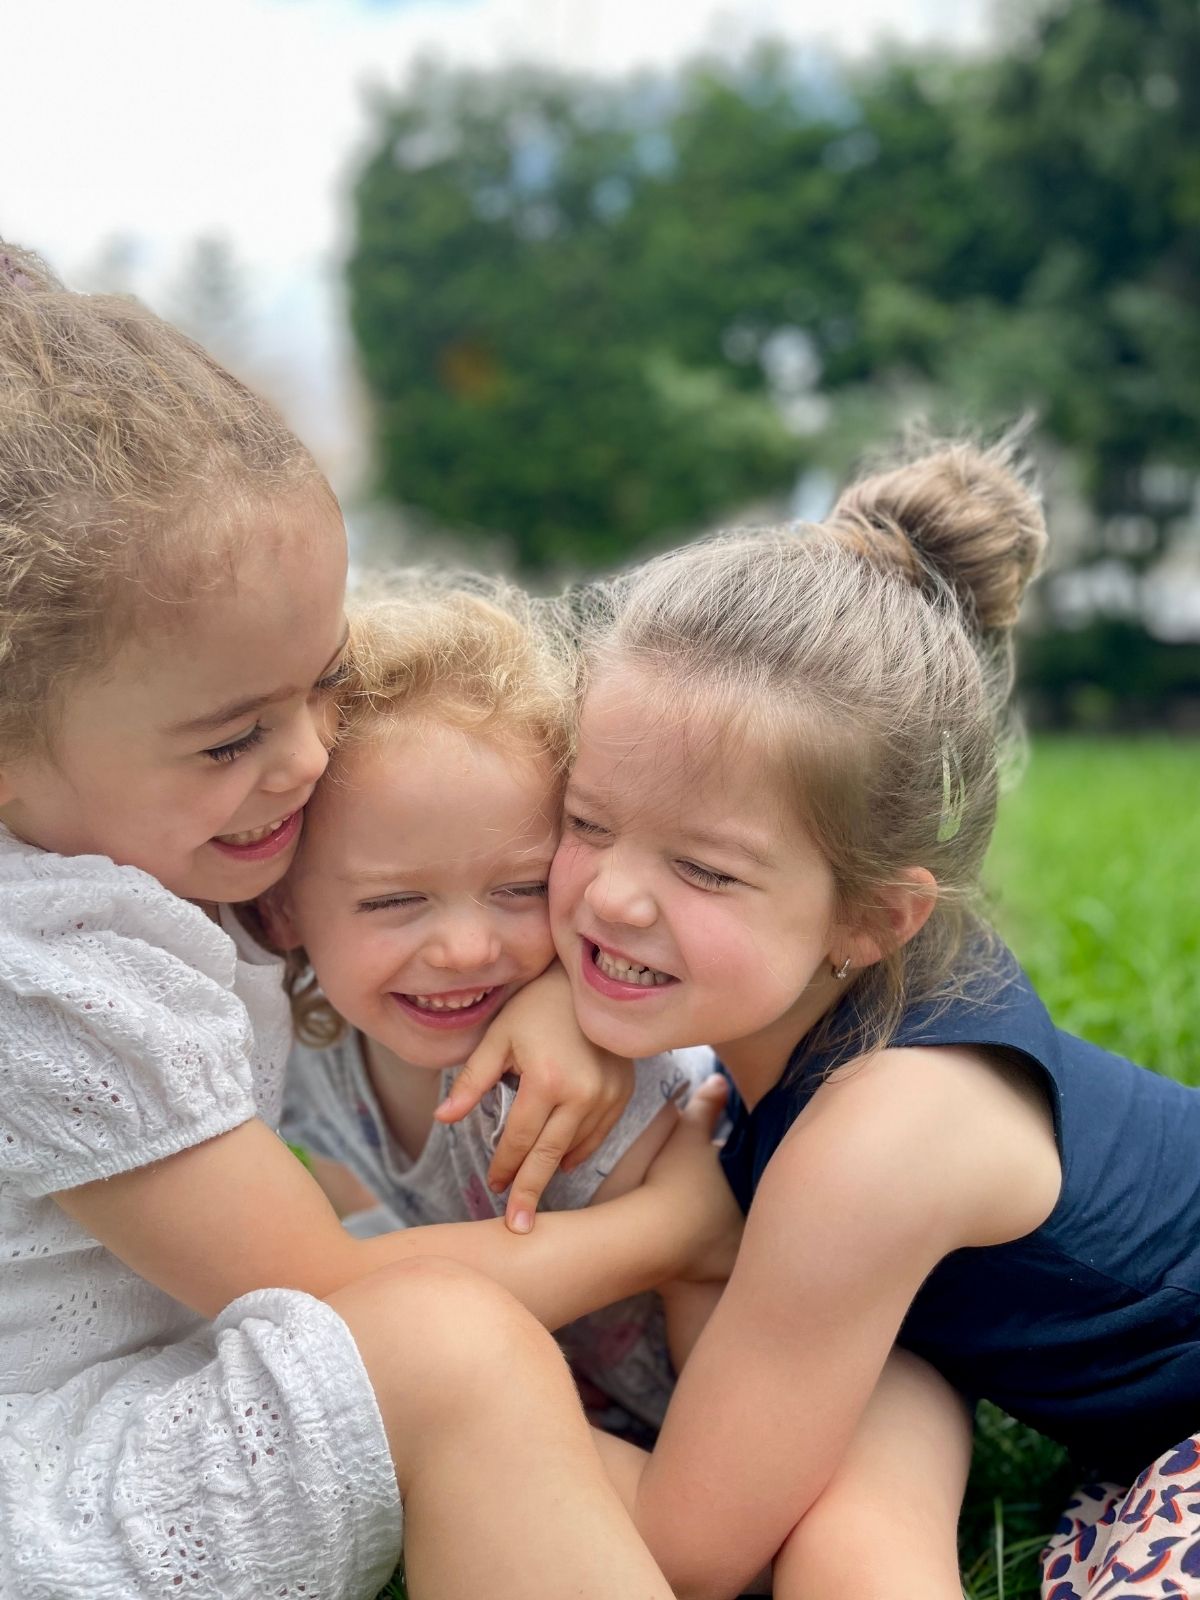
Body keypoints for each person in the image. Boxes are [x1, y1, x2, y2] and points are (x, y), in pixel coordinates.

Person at [0, 242, 738, 1600]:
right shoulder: (43, 981)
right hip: (58, 1496)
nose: (305, 761)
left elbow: (396, 941)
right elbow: (335, 1301)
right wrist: (670, 1229)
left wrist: (551, 993)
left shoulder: (127, 838)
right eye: (232, 738)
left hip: (153, 1400)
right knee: (448, 1355)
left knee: (616, 1479)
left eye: (325, 684)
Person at [546, 439, 1200, 1600]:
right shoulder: (832, 996)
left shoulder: (879, 1134)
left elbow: (689, 1549)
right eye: (587, 821)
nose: (610, 895)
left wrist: (421, 1407)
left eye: (703, 869)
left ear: (872, 919)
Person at [265, 573, 715, 1435]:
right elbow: (355, 1234)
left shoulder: (582, 1083)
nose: (467, 949)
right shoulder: (309, 1057)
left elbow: (722, 1269)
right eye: (393, 902)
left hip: (722, 1397)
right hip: (572, 1415)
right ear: (282, 908)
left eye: (519, 888)